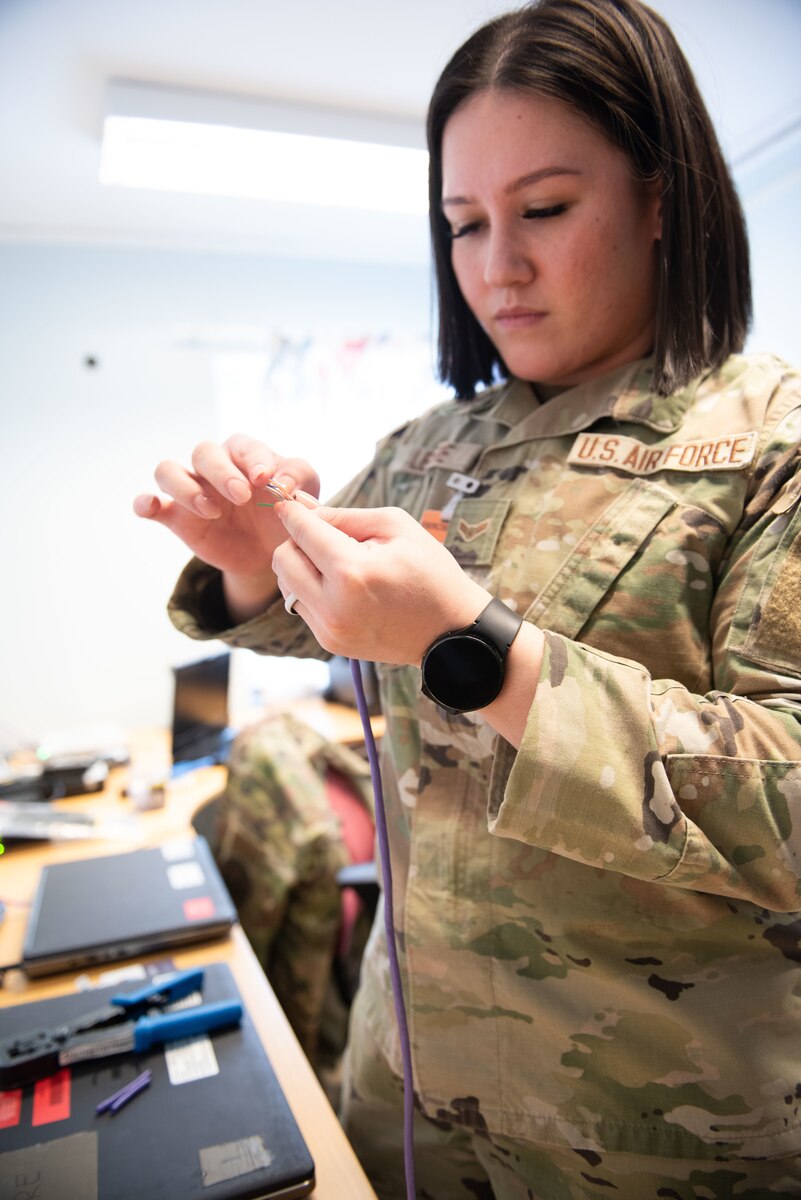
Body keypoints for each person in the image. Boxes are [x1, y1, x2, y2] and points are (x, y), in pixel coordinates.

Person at [134, 0, 801, 1195]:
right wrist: (249, 551)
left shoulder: (771, 443)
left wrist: (473, 646)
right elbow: (328, 612)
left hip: (655, 1140)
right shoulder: (433, 444)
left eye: (545, 209)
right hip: (412, 1099)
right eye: (464, 224)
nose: (499, 264)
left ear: (661, 198)